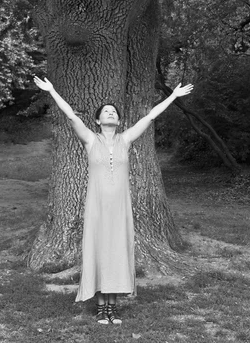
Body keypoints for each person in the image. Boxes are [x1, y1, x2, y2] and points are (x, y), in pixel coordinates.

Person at [33, 75, 193, 325]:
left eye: (114, 112)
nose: (110, 113)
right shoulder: (89, 139)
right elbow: (72, 116)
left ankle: (113, 307)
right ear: (97, 120)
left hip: (120, 208)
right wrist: (52, 90)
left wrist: (172, 96)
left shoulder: (126, 139)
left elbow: (150, 117)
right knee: (98, 251)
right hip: (97, 208)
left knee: (117, 251)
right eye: (105, 112)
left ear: (118, 121)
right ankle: (100, 307)